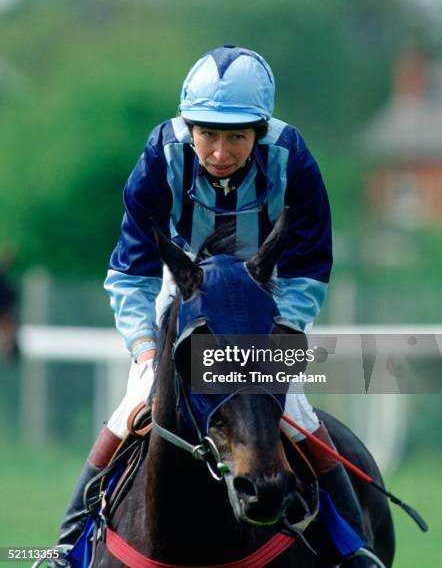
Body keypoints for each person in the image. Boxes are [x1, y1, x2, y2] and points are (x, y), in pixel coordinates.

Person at [56, 45, 379, 566]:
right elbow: (130, 272)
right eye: (208, 133)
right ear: (189, 126)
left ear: (260, 129)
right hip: (185, 291)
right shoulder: (161, 155)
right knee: (134, 402)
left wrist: (283, 337)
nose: (220, 152)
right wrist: (144, 350)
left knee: (294, 409)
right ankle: (67, 544)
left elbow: (308, 267)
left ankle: (349, 547)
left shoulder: (292, 158)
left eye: (236, 136)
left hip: (262, 299)